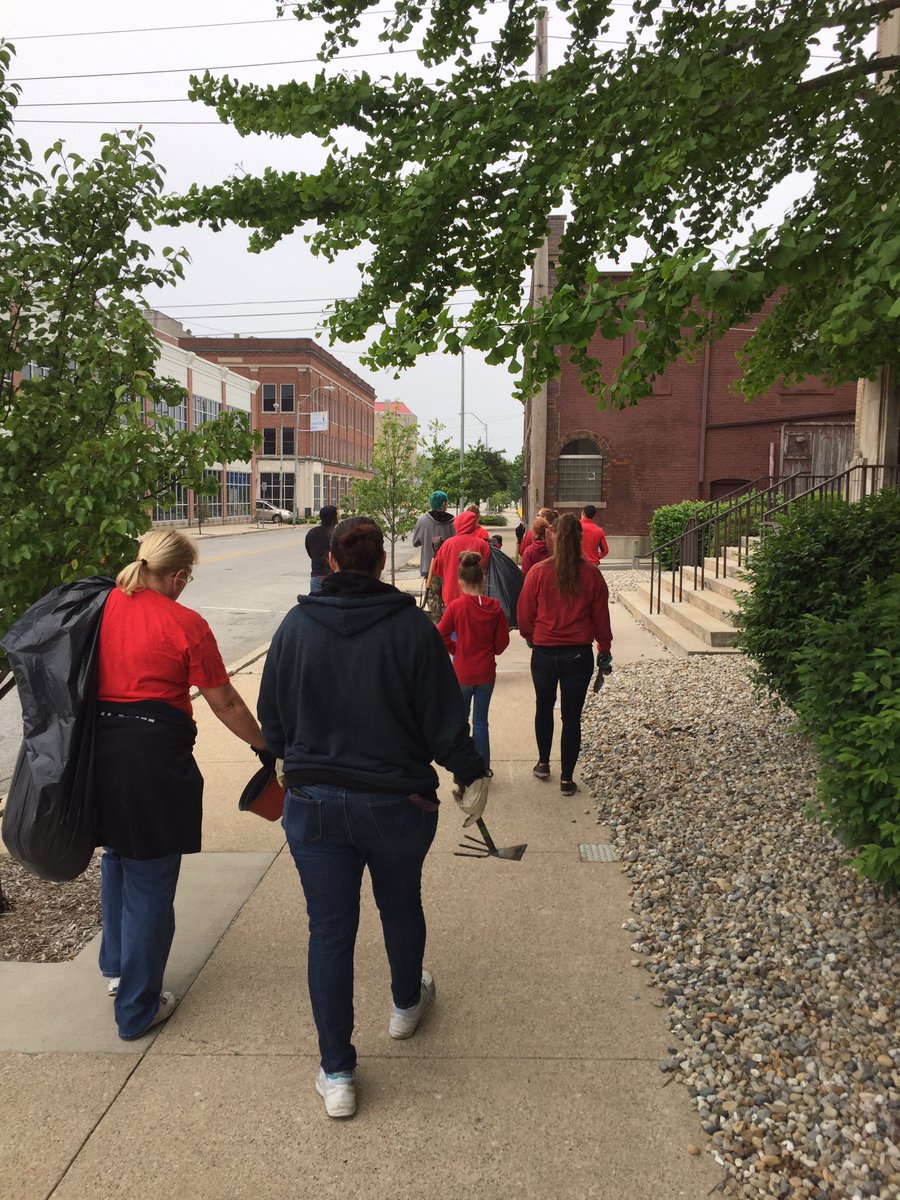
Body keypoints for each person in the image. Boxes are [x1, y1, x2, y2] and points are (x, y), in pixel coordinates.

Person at [258, 517, 489, 1120]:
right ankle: (406, 1004)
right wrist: (470, 772)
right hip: (397, 802)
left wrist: (283, 758)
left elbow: (272, 717)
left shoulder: (295, 627)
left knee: (329, 931)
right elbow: (444, 722)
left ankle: (337, 1073)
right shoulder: (413, 631)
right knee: (400, 903)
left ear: (331, 562)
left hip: (314, 803)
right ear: (381, 563)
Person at [94, 529, 267, 1040]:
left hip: (97, 755)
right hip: (152, 761)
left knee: (119, 858)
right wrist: (264, 747)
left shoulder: (98, 607)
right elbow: (226, 702)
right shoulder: (185, 623)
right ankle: (138, 1009)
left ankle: (119, 970)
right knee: (150, 876)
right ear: (178, 575)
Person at [516, 513, 612, 797]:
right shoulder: (592, 574)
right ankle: (567, 778)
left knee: (543, 706)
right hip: (577, 656)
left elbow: (524, 615)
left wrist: (532, 638)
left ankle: (544, 763)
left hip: (544, 652)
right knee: (571, 717)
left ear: (552, 537)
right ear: (580, 539)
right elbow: (601, 619)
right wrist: (604, 649)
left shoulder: (538, 573)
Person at [437, 551, 510, 768]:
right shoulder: (495, 608)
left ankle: (465, 768)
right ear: (483, 579)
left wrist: (456, 648)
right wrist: (491, 649)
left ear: (460, 581)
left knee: (461, 722)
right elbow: (502, 643)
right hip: (486, 672)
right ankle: (483, 767)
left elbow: (440, 634)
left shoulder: (456, 607)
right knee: (480, 721)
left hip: (462, 672)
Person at [426, 509, 491, 609]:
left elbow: (437, 570)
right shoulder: (482, 544)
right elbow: (485, 566)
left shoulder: (447, 544)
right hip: (475, 596)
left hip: (451, 596)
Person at [412, 491, 456, 578]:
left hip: (429, 567)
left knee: (431, 591)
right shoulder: (453, 522)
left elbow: (415, 543)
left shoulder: (422, 521)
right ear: (444, 503)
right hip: (447, 568)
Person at [305, 504, 339, 593]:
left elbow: (310, 553)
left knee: (316, 605)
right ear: (333, 518)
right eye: (337, 515)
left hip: (316, 577)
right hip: (334, 577)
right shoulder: (337, 534)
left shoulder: (312, 533)